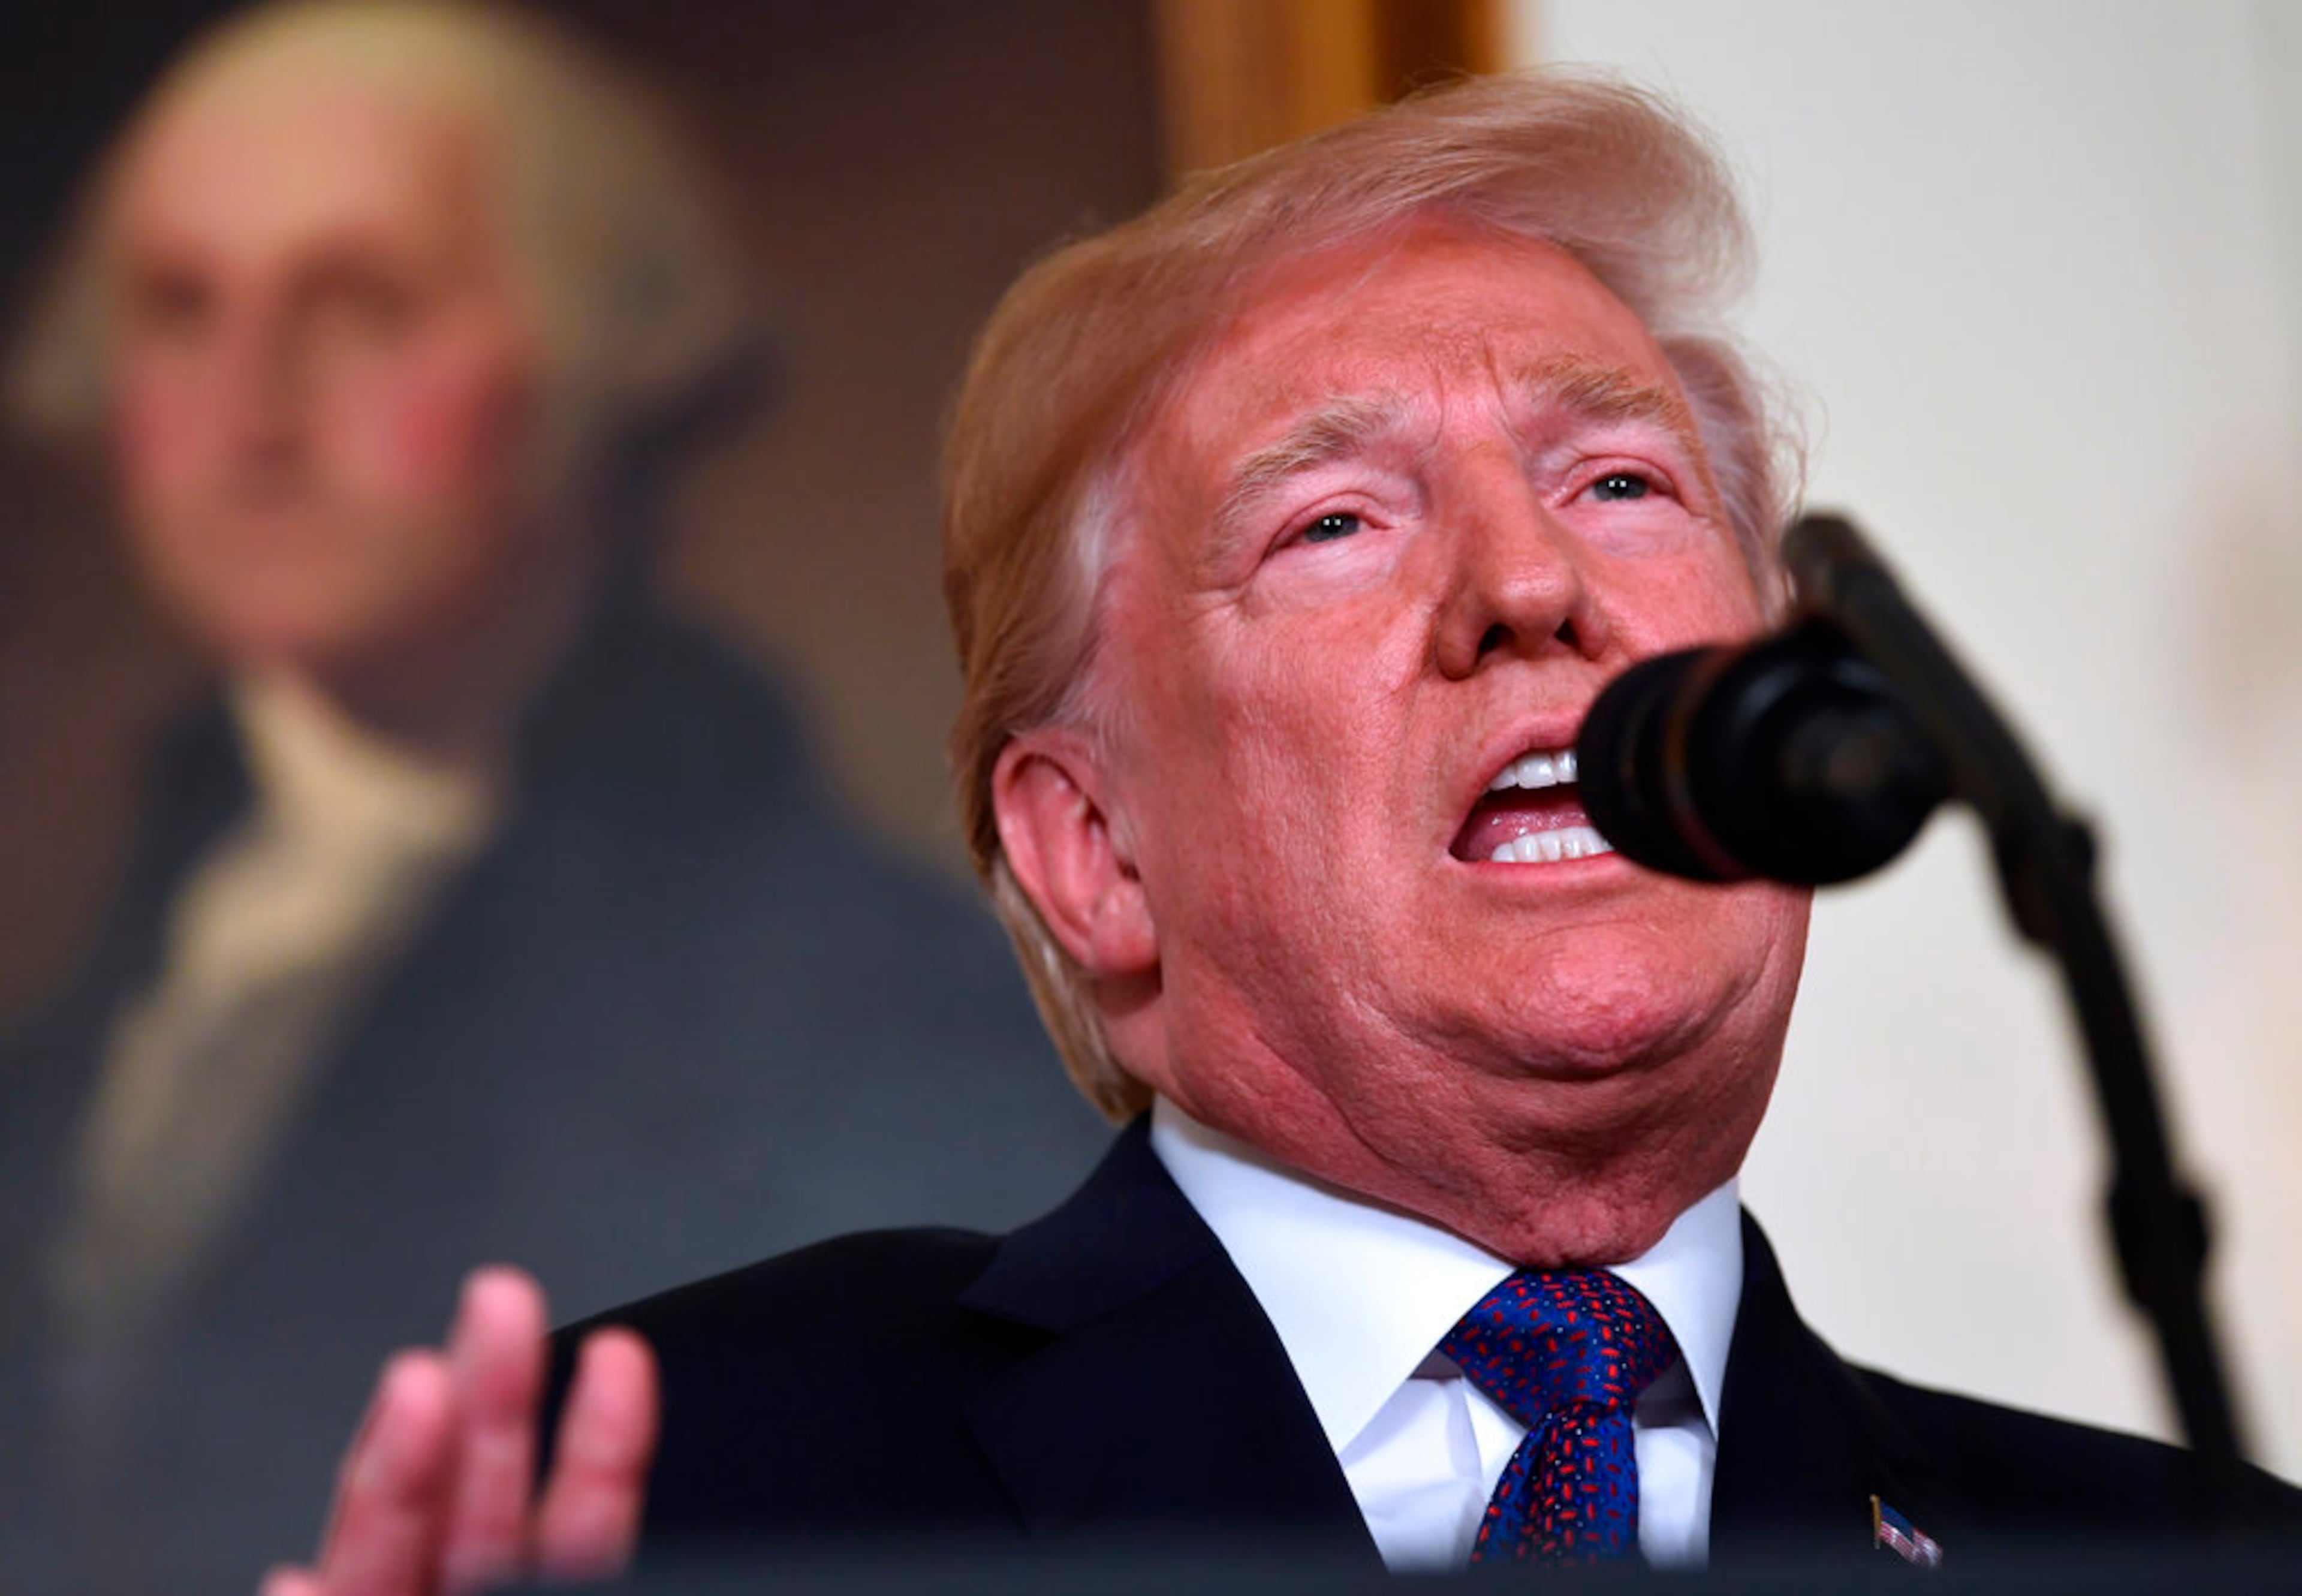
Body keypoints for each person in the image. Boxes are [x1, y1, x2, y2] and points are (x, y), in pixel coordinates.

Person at [264, 70, 2300, 1595]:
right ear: (1092, 854)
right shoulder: (693, 1499)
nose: (1529, 583)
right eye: (1335, 520)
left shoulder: (2186, 1554)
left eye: (1618, 484)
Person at [0, 4, 1102, 1589]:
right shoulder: (140, 940)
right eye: (178, 308)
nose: (251, 406)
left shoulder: (854, 991)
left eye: (359, 307)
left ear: (598, 353)